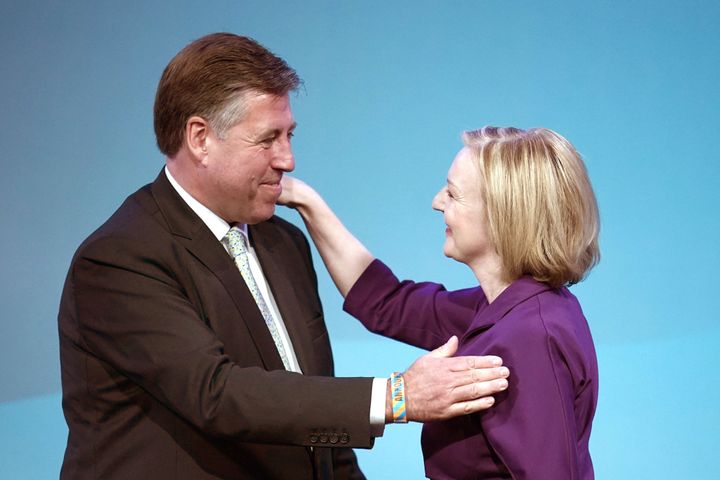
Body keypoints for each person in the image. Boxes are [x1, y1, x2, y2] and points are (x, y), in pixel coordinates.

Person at [57, 33, 510, 480]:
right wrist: (397, 397)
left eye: (289, 135)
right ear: (200, 139)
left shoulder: (283, 244)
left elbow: (318, 427)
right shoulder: (121, 259)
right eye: (267, 139)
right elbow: (217, 395)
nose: (288, 159)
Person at [279, 126, 600, 479]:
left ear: (503, 214)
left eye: (453, 193)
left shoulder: (530, 336)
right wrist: (305, 201)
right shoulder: (502, 308)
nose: (437, 202)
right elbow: (386, 302)